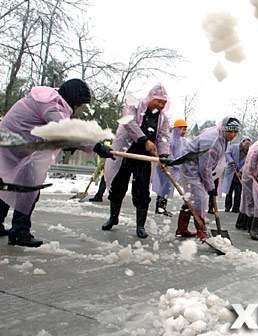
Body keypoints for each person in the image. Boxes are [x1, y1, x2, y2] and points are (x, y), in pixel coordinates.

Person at [0, 79, 114, 247]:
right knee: (28, 189)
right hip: (14, 149)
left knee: (10, 186)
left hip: (11, 148)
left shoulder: (47, 99)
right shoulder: (52, 105)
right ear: (72, 98)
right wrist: (96, 146)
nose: (78, 108)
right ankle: (19, 232)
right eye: (78, 104)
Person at [102, 83, 171, 239]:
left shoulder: (163, 119)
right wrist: (144, 140)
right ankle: (113, 217)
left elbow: (163, 137)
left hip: (144, 158)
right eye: (158, 101)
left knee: (142, 191)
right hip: (126, 153)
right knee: (118, 186)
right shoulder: (134, 106)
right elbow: (129, 123)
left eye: (163, 103)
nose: (160, 105)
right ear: (150, 98)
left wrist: (164, 156)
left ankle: (140, 225)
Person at [175, 116, 240, 241]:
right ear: (224, 129)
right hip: (191, 165)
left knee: (193, 198)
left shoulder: (222, 136)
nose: (232, 135)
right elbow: (205, 167)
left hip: (199, 165)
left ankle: (181, 229)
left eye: (235, 132)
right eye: (230, 131)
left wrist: (211, 183)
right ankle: (201, 231)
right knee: (199, 198)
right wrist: (211, 187)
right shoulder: (213, 142)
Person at [152, 119, 188, 217]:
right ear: (178, 129)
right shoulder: (171, 138)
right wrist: (173, 162)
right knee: (163, 188)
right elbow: (168, 152)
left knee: (167, 189)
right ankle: (159, 208)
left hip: (174, 167)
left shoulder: (180, 139)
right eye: (183, 129)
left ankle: (162, 208)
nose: (184, 132)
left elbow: (180, 152)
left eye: (185, 130)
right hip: (167, 166)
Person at [222, 136, 251, 213]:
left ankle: (236, 208)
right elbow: (227, 154)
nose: (247, 145)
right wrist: (231, 161)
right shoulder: (234, 147)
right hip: (231, 171)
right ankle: (227, 207)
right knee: (229, 191)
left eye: (248, 144)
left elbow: (247, 163)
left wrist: (241, 171)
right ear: (242, 141)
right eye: (246, 143)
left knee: (238, 192)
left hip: (240, 174)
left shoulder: (249, 152)